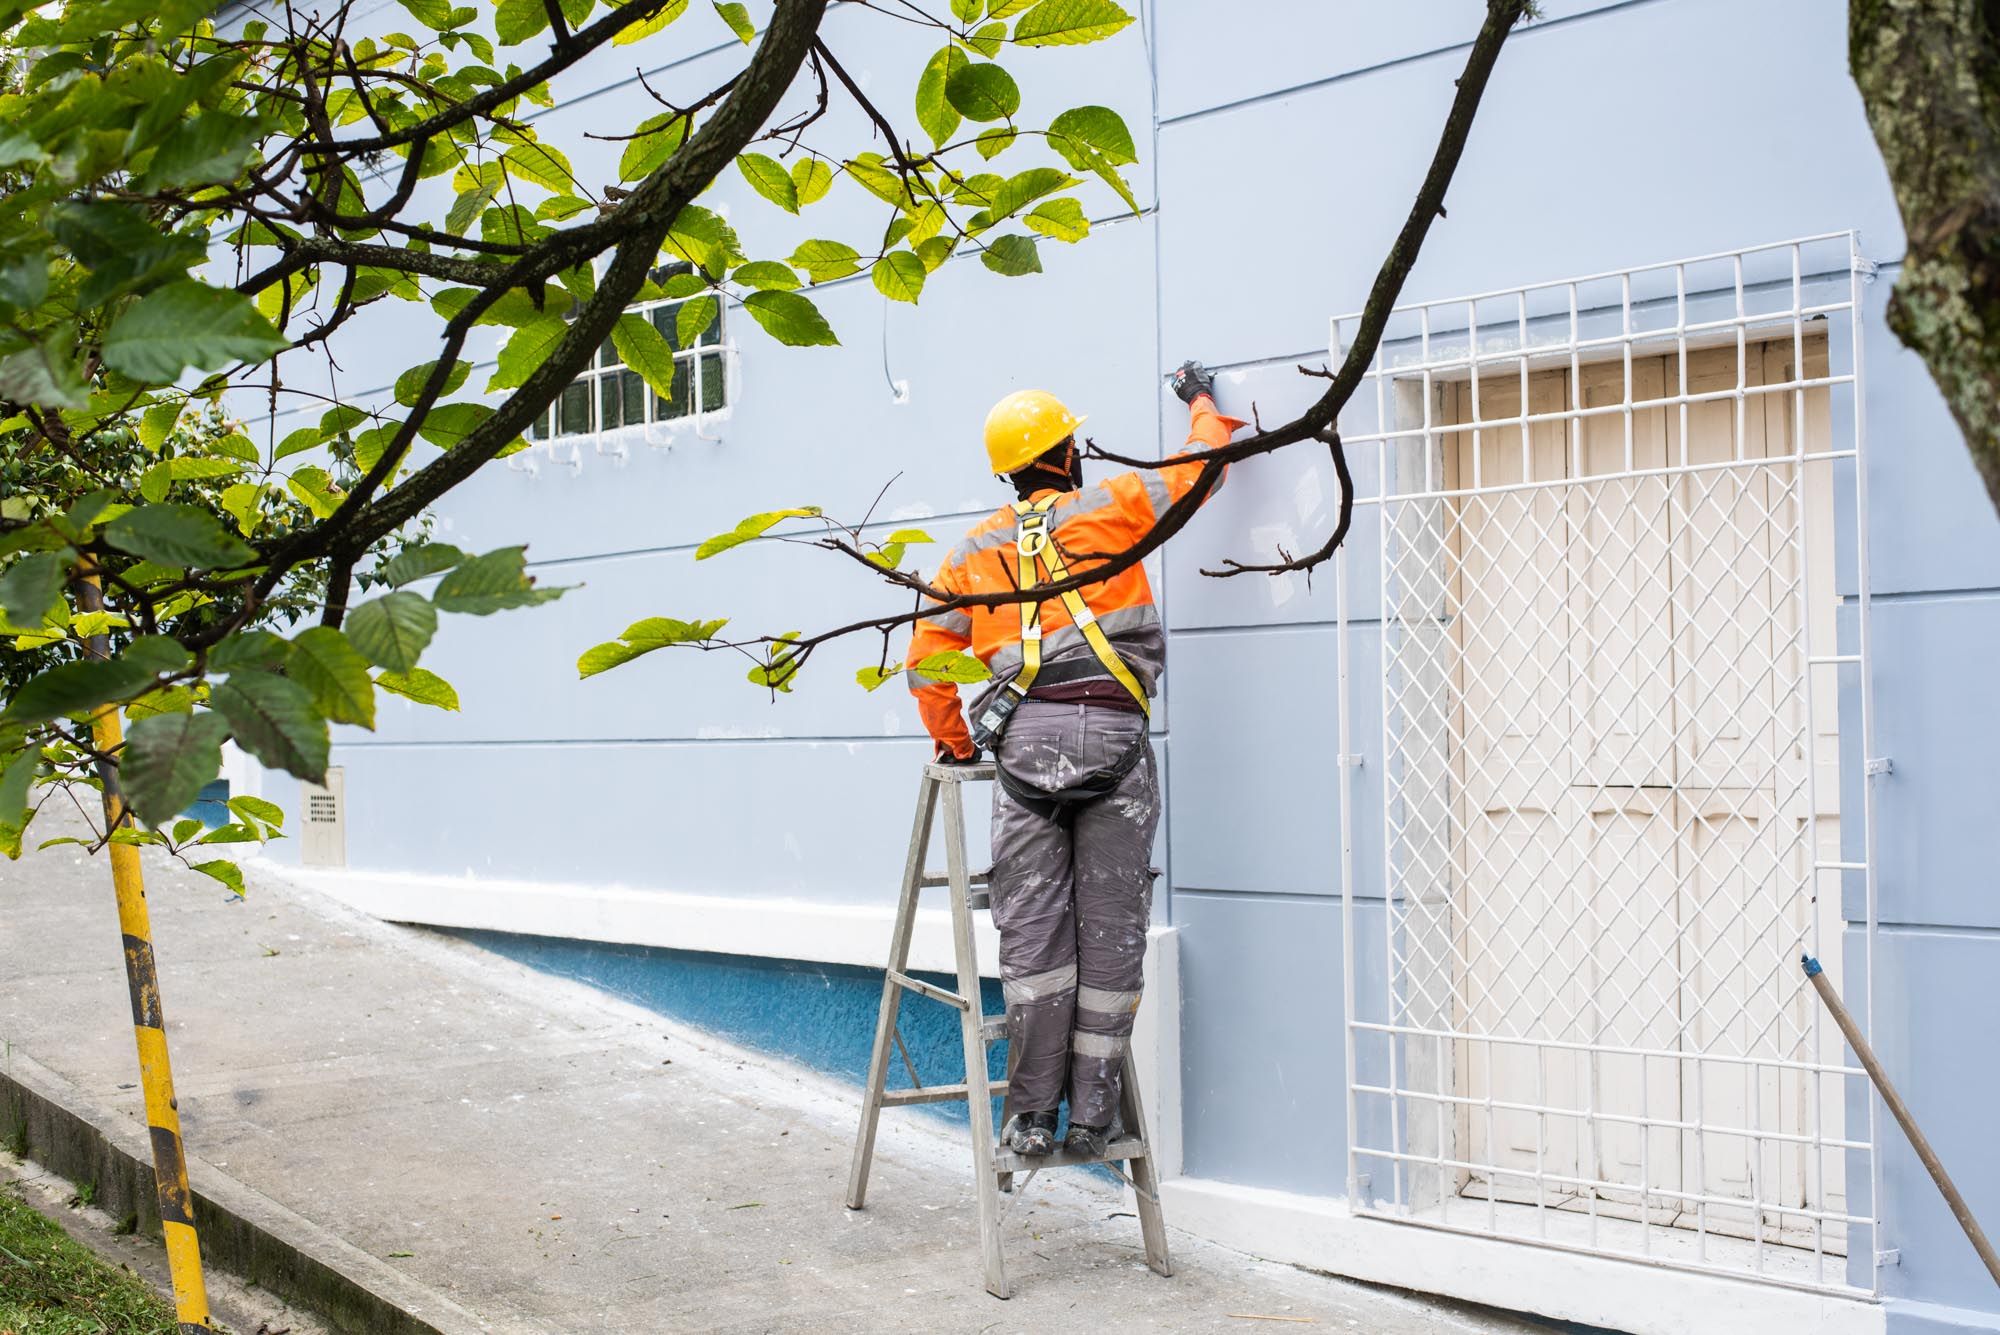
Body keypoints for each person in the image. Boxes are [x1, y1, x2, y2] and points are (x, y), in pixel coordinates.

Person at [905, 361, 1246, 1158]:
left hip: (1022, 765)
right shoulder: (1107, 508)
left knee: (1032, 946)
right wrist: (1201, 402)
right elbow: (1200, 473)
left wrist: (957, 742)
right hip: (1116, 753)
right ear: (1062, 457)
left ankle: (1028, 1120)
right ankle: (1093, 1118)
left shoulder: (971, 552)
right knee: (1112, 935)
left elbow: (927, 663)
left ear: (1008, 470)